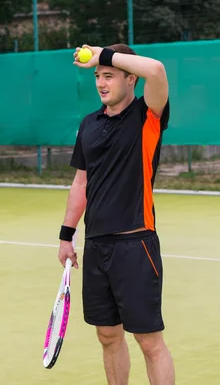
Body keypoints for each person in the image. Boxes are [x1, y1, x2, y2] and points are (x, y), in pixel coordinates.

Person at [57, 43, 175, 385]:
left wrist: (101, 53)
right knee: (108, 337)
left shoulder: (147, 115)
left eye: (108, 75)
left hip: (135, 244)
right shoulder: (88, 124)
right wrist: (66, 235)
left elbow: (156, 70)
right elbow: (81, 182)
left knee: (149, 342)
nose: (101, 82)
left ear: (131, 79)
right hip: (96, 248)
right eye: (97, 76)